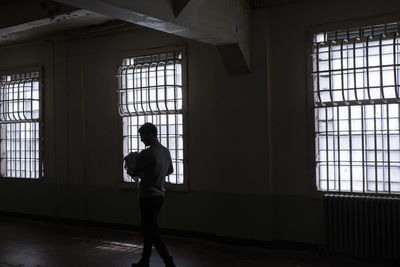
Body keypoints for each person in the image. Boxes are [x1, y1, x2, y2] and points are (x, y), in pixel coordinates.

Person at [129, 123, 176, 267]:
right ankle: (145, 260)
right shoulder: (165, 151)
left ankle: (168, 261)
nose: (141, 140)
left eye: (142, 137)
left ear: (150, 135)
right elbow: (170, 171)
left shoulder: (147, 153)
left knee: (152, 230)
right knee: (147, 228)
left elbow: (135, 171)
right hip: (160, 195)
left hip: (147, 195)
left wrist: (131, 161)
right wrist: (156, 175)